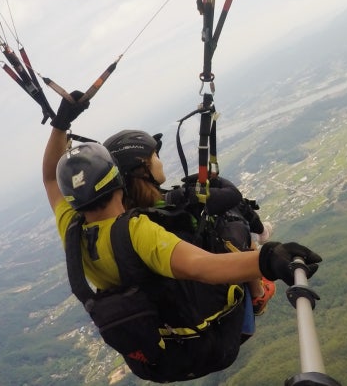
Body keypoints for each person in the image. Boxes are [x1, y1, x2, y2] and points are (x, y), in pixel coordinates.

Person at [43, 93, 321, 381]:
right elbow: (204, 266)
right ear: (118, 180)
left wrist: (61, 123)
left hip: (157, 355)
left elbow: (50, 178)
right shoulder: (137, 232)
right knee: (228, 225)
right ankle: (257, 296)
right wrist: (269, 258)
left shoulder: (72, 230)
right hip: (209, 343)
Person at [102, 128, 276, 318]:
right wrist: (214, 180)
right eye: (155, 157)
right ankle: (258, 293)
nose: (160, 162)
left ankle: (259, 236)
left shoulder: (129, 217)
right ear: (143, 169)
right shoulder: (174, 203)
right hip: (207, 274)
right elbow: (232, 196)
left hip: (177, 299)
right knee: (234, 215)